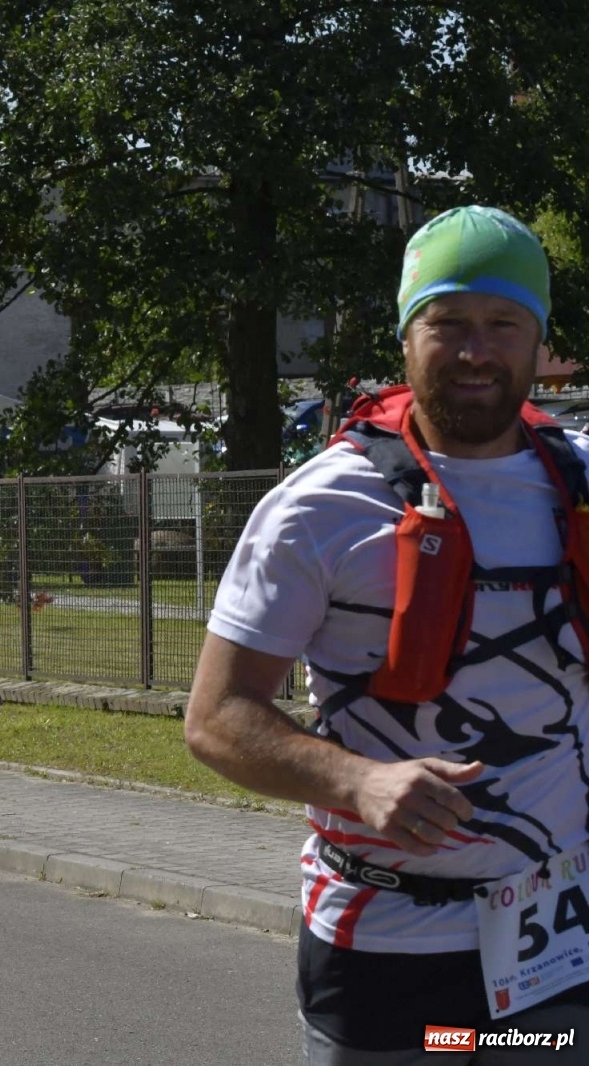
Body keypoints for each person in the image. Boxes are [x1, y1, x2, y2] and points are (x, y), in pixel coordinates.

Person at [185, 205, 589, 1062]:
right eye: (448, 323)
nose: (477, 350)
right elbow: (217, 717)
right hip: (389, 951)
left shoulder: (579, 483)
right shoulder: (320, 506)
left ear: (538, 341)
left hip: (555, 950)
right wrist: (359, 781)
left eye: (504, 324)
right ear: (407, 338)